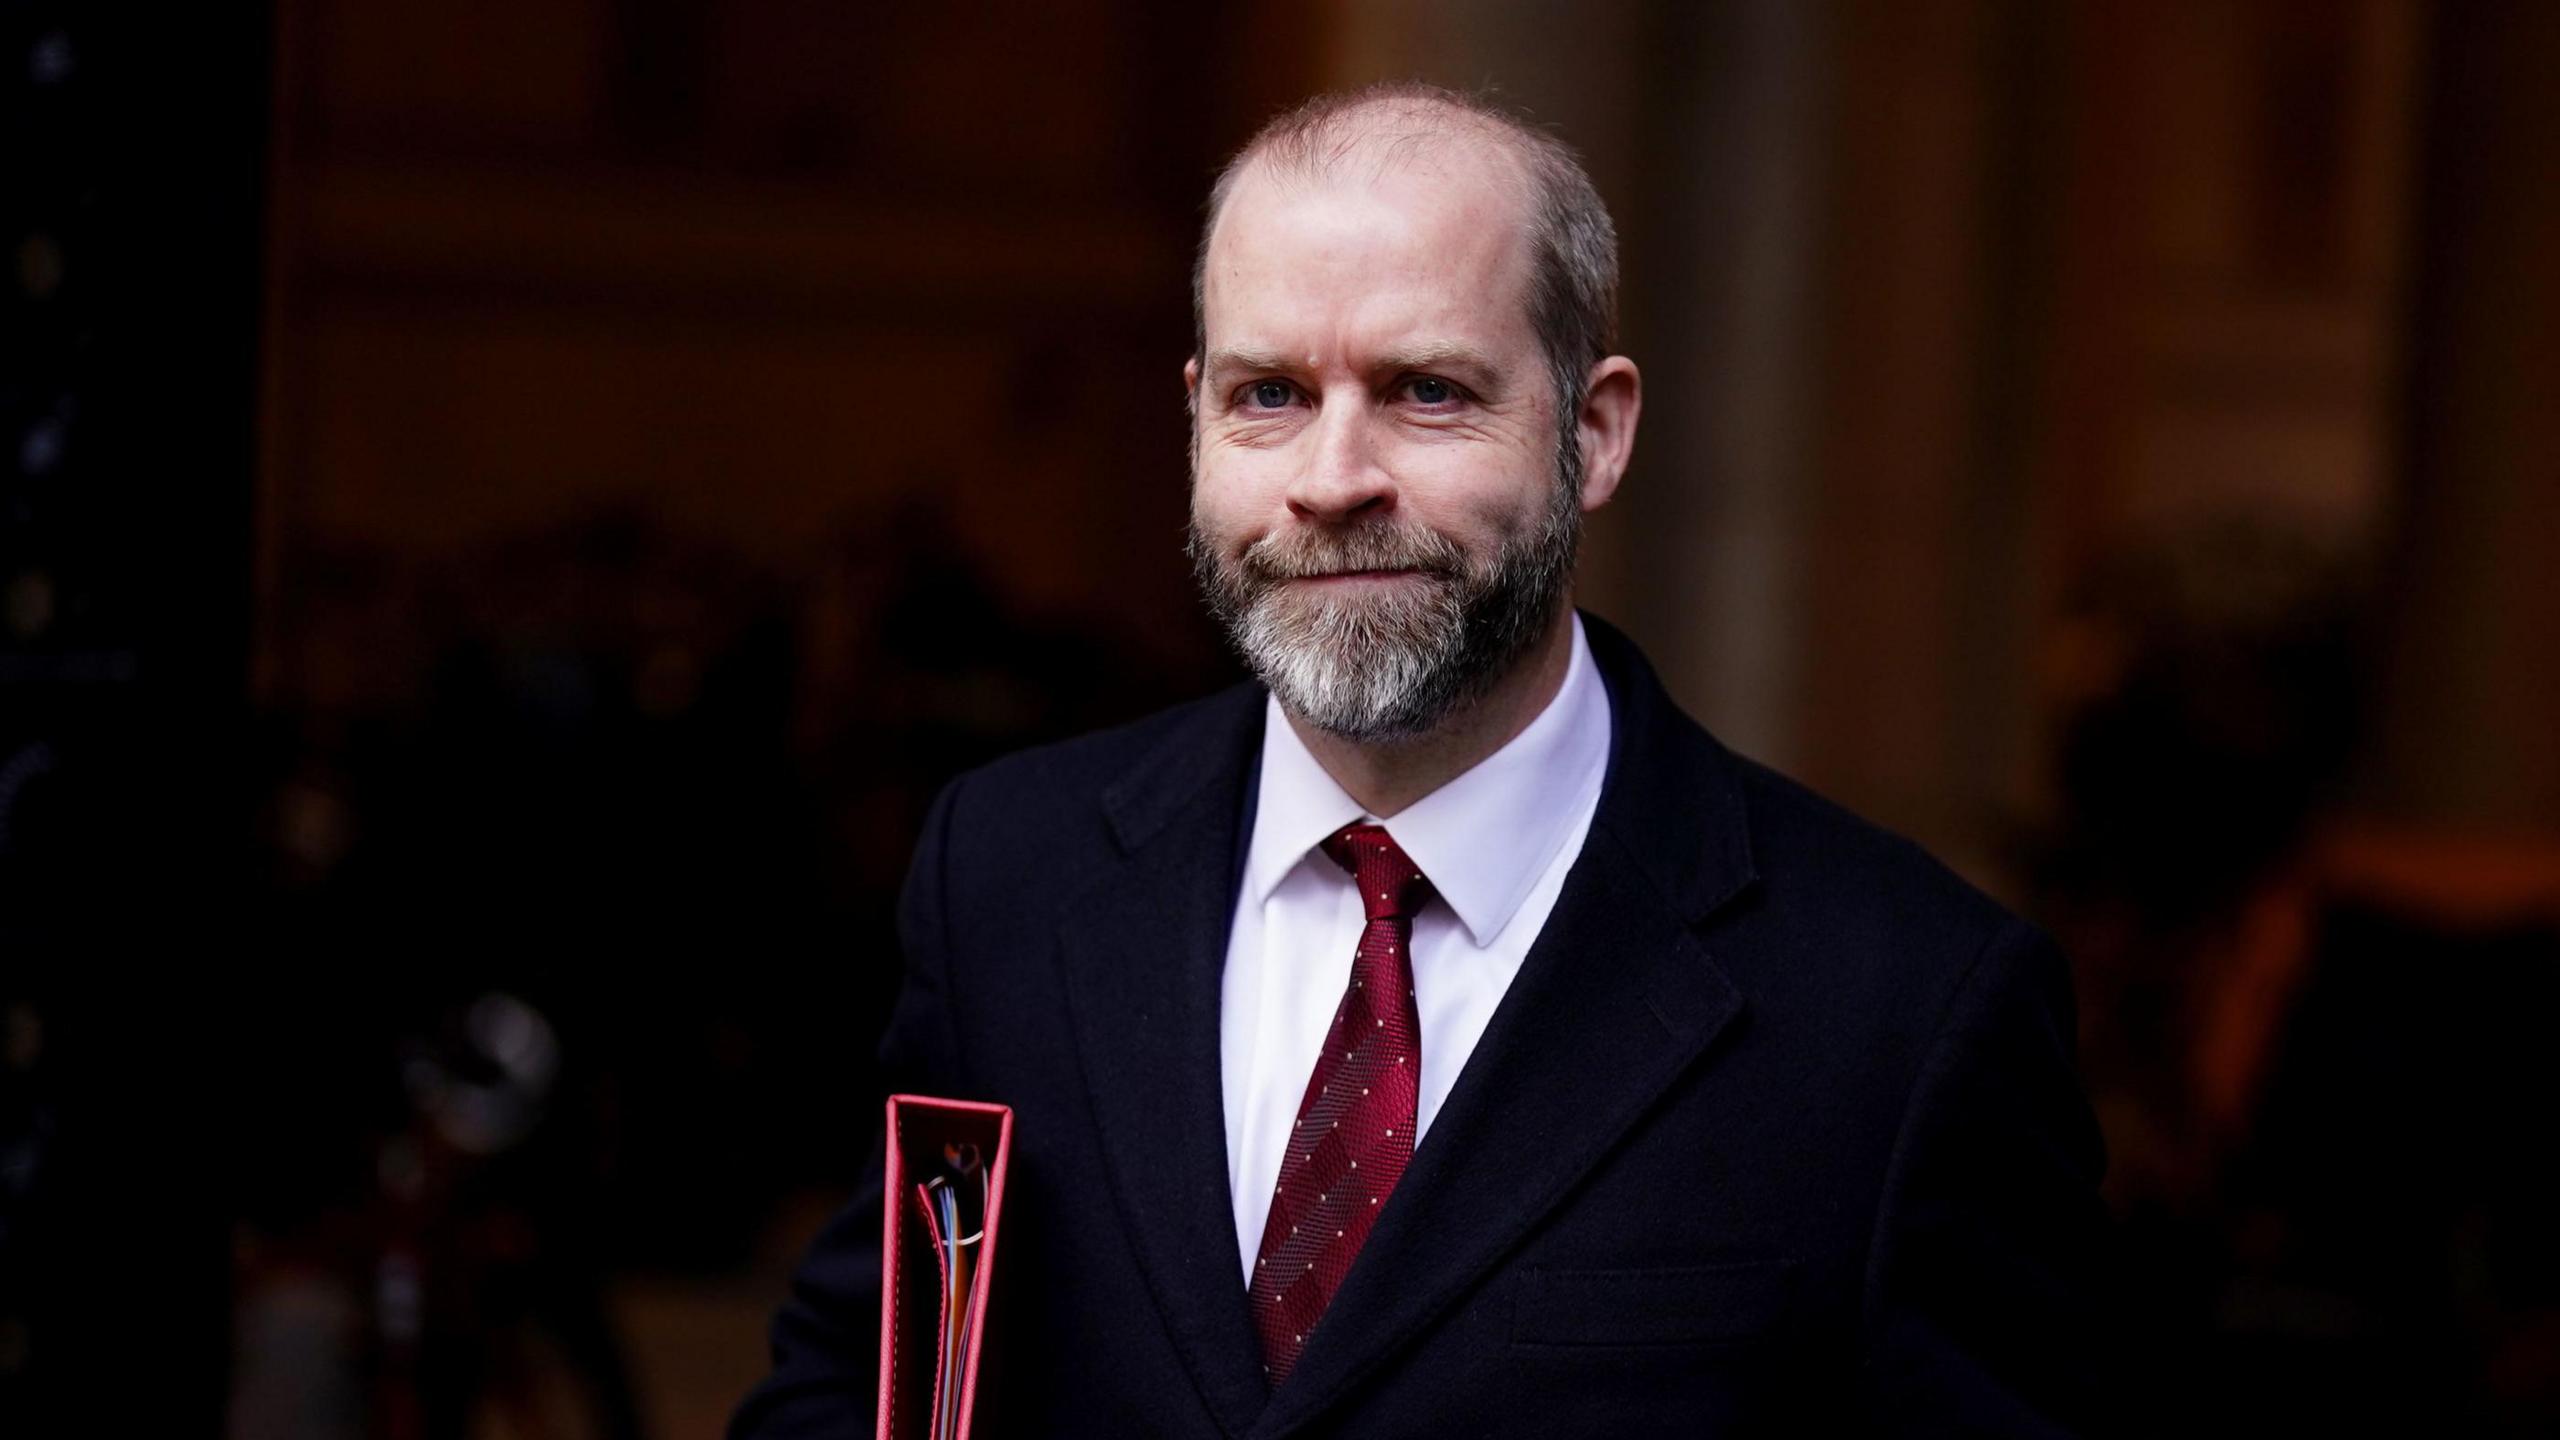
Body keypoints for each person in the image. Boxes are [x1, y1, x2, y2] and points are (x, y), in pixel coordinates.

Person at [733, 82, 2110, 1438]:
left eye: (1426, 392)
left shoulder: (1904, 1006)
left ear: (1595, 430)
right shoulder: (1007, 878)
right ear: (1198, 417)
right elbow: (870, 1386)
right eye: (1271, 394)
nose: (1334, 479)